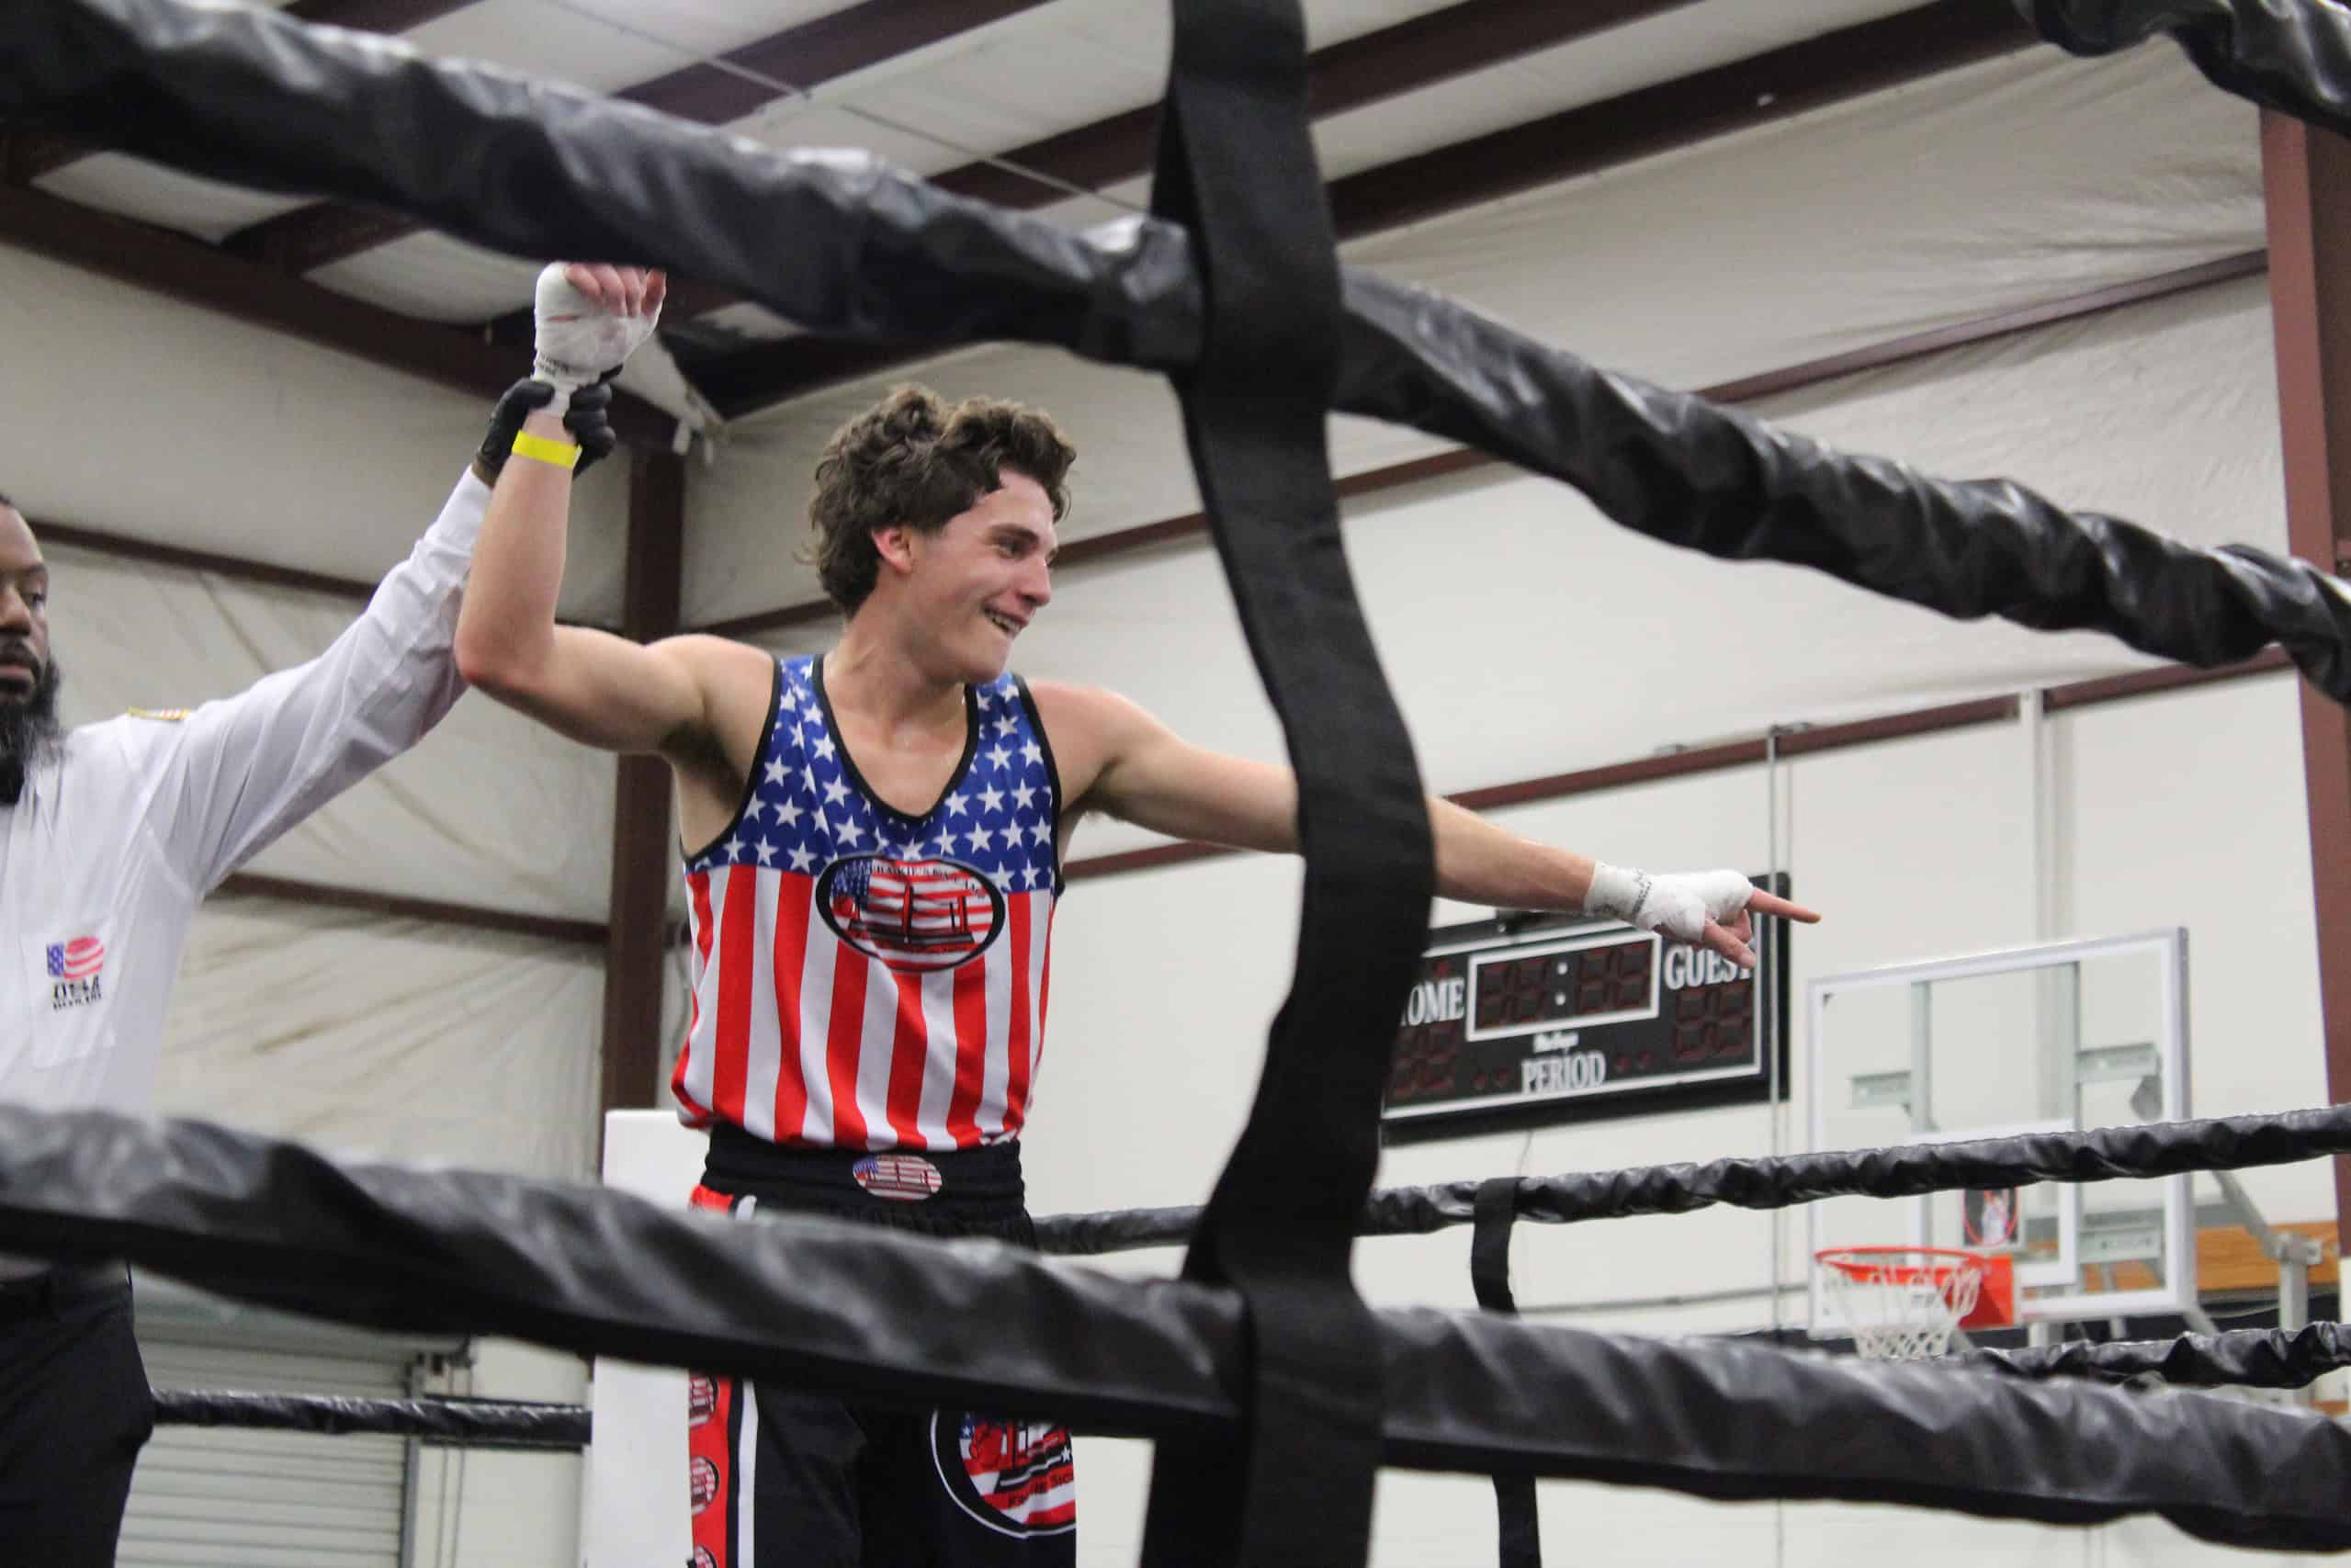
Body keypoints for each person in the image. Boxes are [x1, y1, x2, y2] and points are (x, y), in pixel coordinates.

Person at [454, 267, 1822, 1568]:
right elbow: (505, 653)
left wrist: (1633, 892)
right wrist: (563, 396)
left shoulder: (1064, 740)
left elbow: (1354, 818)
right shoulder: (743, 704)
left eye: (1047, 553)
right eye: (1009, 545)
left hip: (983, 1238)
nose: (1039, 585)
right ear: (898, 541)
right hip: (773, 1227)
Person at [0, 265, 657, 1566]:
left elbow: (368, 689)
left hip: (52, 1347)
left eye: (33, 592)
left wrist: (530, 435)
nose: (21, 617)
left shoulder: (126, 793)